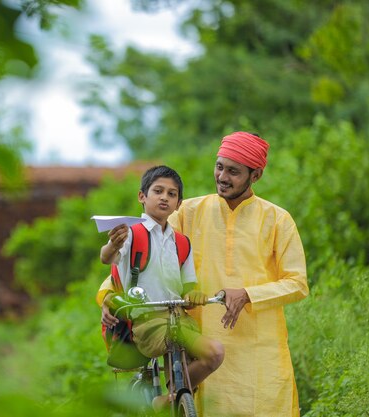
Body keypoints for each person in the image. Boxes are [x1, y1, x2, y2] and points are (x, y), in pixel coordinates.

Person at [99, 132, 309, 416]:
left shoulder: (278, 220)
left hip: (260, 351)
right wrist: (109, 295)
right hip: (199, 336)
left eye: (233, 171)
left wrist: (248, 294)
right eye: (219, 166)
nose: (222, 176)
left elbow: (297, 283)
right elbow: (144, 253)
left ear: (255, 175)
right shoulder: (188, 211)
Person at [98, 165, 224, 410]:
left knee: (215, 353)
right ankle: (173, 399)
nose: (165, 197)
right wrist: (113, 245)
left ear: (178, 203)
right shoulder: (132, 233)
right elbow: (106, 257)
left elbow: (188, 288)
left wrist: (194, 295)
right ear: (142, 196)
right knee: (182, 345)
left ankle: (168, 401)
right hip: (146, 322)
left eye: (172, 193)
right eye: (158, 191)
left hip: (178, 318)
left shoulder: (181, 242)